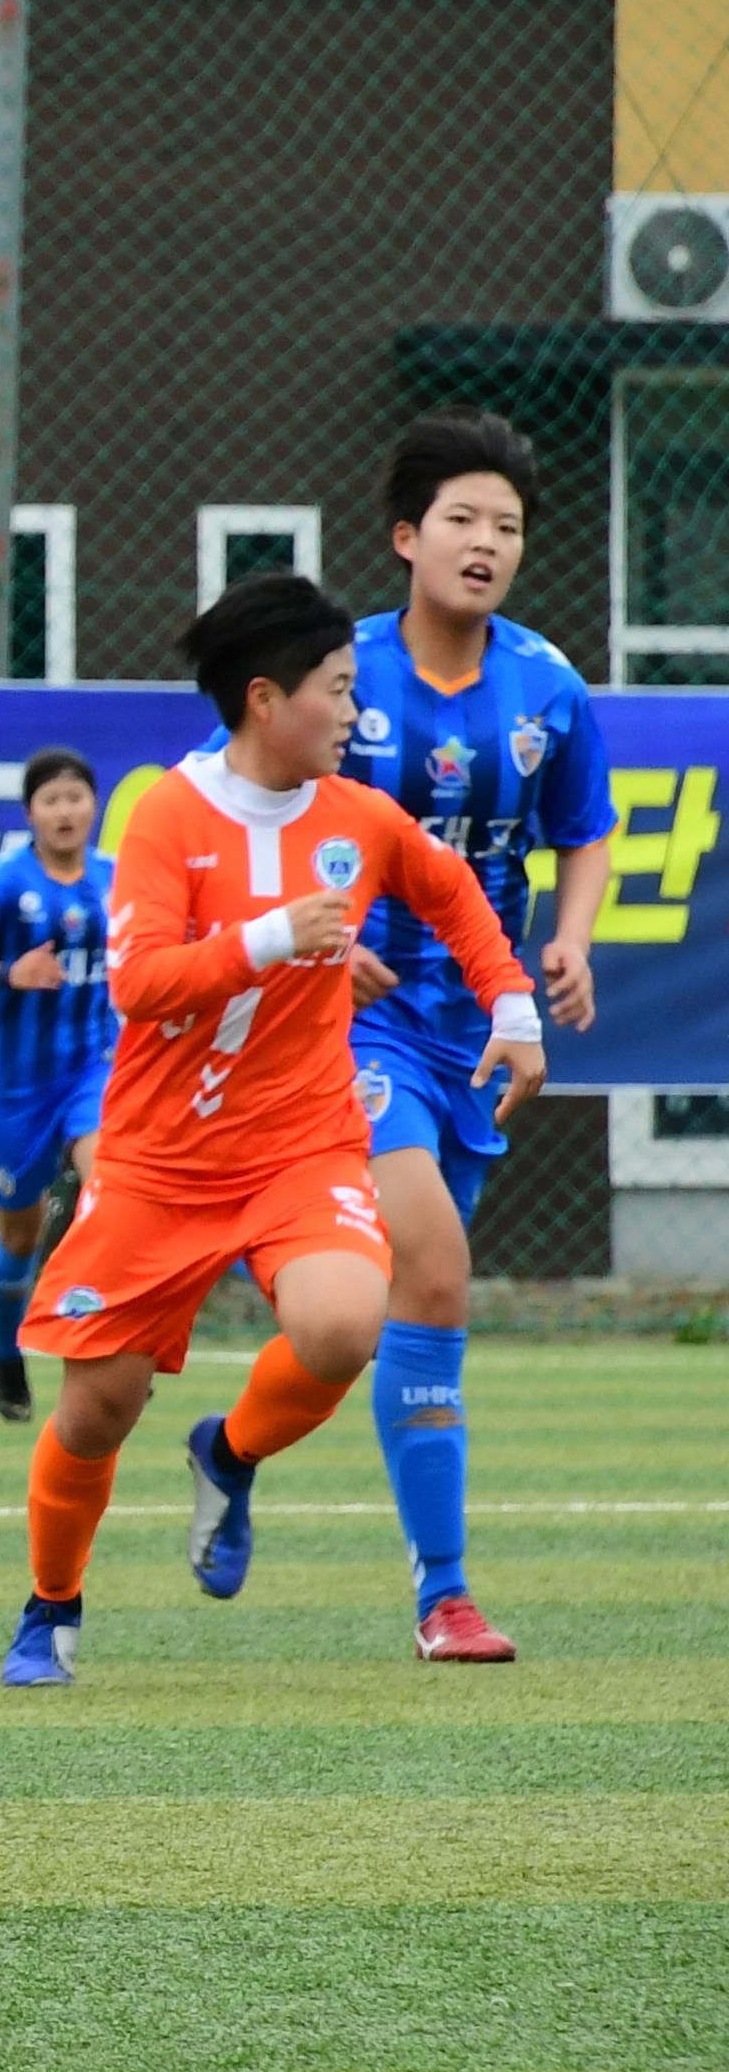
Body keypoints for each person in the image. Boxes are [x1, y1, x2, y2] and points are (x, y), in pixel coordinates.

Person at [0, 573, 541, 1690]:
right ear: (263, 698)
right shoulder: (168, 814)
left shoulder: (359, 812)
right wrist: (270, 936)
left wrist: (514, 1005)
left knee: (346, 1323)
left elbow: (451, 894)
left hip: (302, 1142)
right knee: (98, 1410)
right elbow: (144, 983)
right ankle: (50, 1605)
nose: (354, 713)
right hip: (158, 1160)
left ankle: (227, 1453)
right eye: (338, 691)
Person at [331, 408, 613, 1663]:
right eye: (462, 519)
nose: (486, 541)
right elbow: (248, 802)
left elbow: (584, 827)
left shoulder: (548, 683)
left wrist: (574, 935)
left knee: (392, 1312)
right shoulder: (342, 676)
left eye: (506, 524)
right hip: (364, 1020)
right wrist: (321, 935)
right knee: (432, 1269)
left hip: (486, 1032)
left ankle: (227, 1451)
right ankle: (444, 1594)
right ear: (407, 537)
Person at [0, 749, 117, 1424]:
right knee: (19, 1234)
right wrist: (11, 973)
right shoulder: (3, 883)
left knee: (113, 1190)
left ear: (93, 806)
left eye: (76, 798)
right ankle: (8, 1353)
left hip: (93, 1070)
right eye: (51, 800)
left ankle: (106, 1340)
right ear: (31, 813)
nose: (66, 811)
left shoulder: (116, 880)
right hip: (15, 1088)